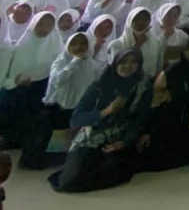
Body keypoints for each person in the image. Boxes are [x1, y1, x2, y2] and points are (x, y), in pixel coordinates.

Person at [48, 49, 152, 193]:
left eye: (133, 62)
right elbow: (76, 118)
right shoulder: (100, 85)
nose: (128, 66)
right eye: (123, 62)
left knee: (114, 170)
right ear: (115, 64)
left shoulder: (142, 86)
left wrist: (124, 142)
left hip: (119, 136)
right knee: (71, 181)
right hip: (92, 135)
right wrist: (106, 111)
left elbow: (140, 118)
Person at [20, 33, 98, 169]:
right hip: (57, 106)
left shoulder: (92, 64)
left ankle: (58, 159)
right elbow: (58, 80)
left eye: (83, 44)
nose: (78, 47)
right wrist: (75, 62)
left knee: (65, 137)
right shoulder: (61, 61)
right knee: (50, 135)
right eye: (74, 44)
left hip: (77, 107)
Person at [138, 34, 189, 172]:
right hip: (170, 118)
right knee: (153, 161)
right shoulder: (172, 70)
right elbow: (155, 102)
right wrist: (147, 130)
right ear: (183, 50)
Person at [0, 12, 60, 148]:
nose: (44, 28)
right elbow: (5, 73)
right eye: (40, 24)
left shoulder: (56, 46)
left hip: (41, 88)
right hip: (15, 90)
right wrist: (15, 82)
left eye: (49, 25)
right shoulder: (18, 47)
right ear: (33, 24)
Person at [107, 8, 163, 79]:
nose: (141, 22)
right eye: (137, 19)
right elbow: (117, 70)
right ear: (130, 21)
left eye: (145, 19)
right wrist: (138, 45)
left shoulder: (156, 43)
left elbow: (158, 67)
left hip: (147, 83)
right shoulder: (116, 45)